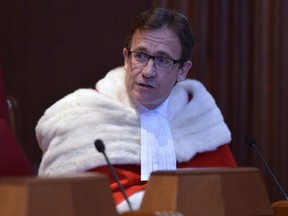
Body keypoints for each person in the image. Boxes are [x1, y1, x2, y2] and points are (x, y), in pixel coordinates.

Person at [36, 7, 237, 213]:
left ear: (183, 70)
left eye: (162, 60)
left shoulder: (196, 116)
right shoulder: (79, 117)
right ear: (126, 58)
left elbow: (230, 200)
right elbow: (61, 203)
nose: (148, 71)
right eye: (140, 56)